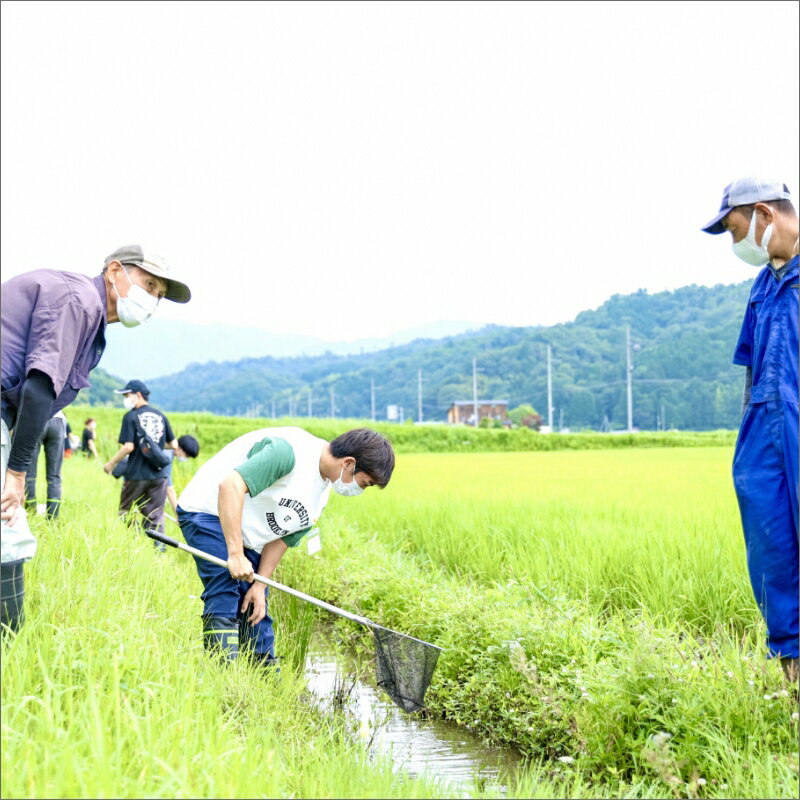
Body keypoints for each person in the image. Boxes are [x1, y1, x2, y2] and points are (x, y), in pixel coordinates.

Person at [1, 245, 191, 633]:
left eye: (158, 295)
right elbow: (40, 388)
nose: (151, 299)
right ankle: (10, 644)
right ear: (115, 270)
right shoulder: (80, 302)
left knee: (10, 531)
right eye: (148, 284)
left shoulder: (90, 319)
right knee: (8, 527)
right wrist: (17, 475)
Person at [176, 427, 394, 668]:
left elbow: (282, 537)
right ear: (349, 463)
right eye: (365, 483)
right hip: (208, 512)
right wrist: (236, 554)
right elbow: (230, 486)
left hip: (248, 530)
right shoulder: (288, 453)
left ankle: (266, 682)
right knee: (225, 587)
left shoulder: (321, 492)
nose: (361, 490)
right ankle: (222, 678)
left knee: (255, 609)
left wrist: (260, 585)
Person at [702, 176, 799, 683]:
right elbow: (753, 373)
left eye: (737, 230)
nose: (737, 245)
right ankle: (792, 677)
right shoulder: (762, 288)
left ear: (764, 214)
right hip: (763, 433)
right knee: (772, 551)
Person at [103, 380, 178, 546]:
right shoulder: (161, 416)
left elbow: (129, 447)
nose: (125, 399)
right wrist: (156, 445)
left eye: (127, 395)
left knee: (125, 512)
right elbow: (173, 444)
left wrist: (110, 464)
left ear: (138, 395)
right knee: (155, 516)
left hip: (136, 475)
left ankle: (134, 543)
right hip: (159, 475)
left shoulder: (131, 416)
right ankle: (159, 552)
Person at [24, 410, 68, 519]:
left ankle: (30, 512)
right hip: (58, 418)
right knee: (54, 476)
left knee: (29, 474)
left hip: (36, 416)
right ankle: (53, 517)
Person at [165, 435, 201, 516]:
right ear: (179, 448)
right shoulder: (166, 456)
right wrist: (177, 515)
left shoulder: (167, 452)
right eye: (187, 455)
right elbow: (169, 488)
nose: (186, 458)